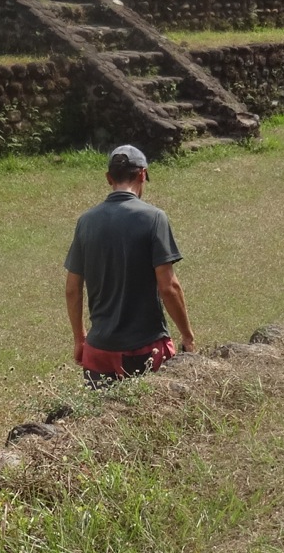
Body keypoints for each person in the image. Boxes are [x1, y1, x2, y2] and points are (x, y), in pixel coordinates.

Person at [64, 144, 195, 384]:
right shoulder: (154, 218)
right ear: (142, 174)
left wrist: (80, 339)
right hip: (145, 348)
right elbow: (169, 287)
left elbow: (72, 288)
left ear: (108, 178)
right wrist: (188, 336)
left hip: (98, 350)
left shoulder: (86, 222)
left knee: (101, 409)